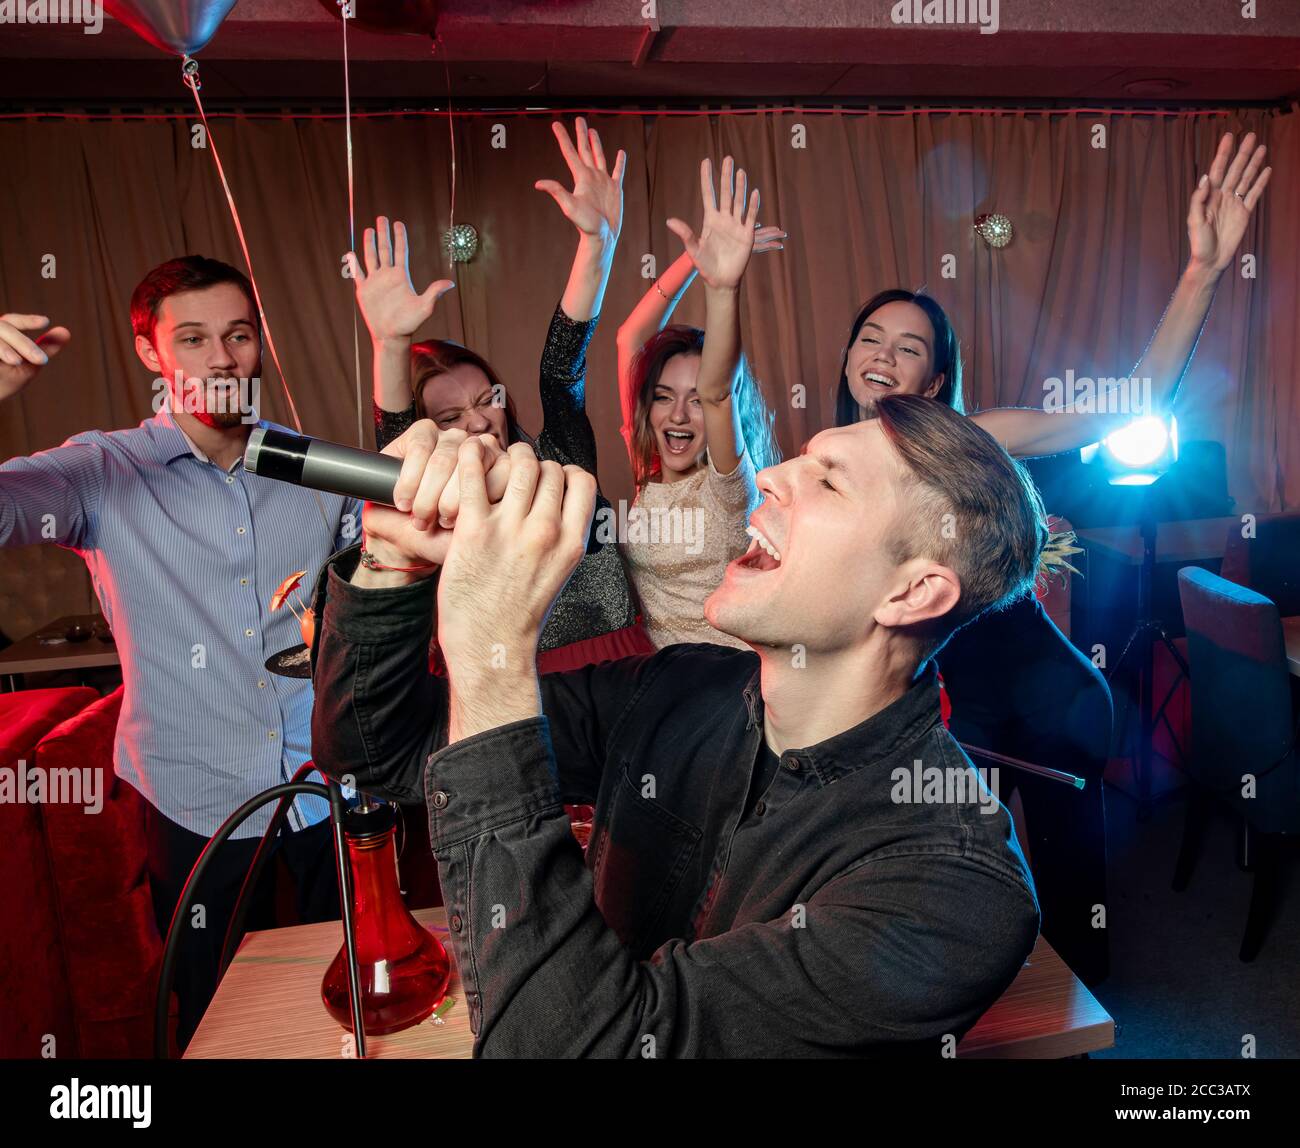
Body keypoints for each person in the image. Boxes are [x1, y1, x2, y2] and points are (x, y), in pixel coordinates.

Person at [306, 390, 1050, 1057]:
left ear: (914, 592)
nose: (770, 476)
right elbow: (377, 751)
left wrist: (490, 650)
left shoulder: (956, 892)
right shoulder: (679, 685)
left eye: (827, 479)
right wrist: (388, 565)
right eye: (797, 459)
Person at [829, 130, 1271, 986]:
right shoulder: (831, 462)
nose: (882, 354)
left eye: (908, 346)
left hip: (1050, 698)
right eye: (871, 337)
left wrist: (1203, 271)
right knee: (965, 896)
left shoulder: (974, 440)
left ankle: (1091, 1043)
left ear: (932, 382)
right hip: (951, 713)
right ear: (848, 357)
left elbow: (1134, 399)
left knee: (1069, 906)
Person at [0, 259, 358, 1049]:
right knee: (214, 1016)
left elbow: (389, 586)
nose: (221, 359)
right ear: (149, 353)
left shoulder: (316, 468)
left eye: (237, 335)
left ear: (260, 343)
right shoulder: (100, 472)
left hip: (324, 788)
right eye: (192, 339)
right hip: (194, 801)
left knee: (352, 1005)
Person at [348, 118, 652, 673]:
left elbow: (560, 370)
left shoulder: (560, 460)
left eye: (485, 398)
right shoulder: (435, 507)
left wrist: (596, 247)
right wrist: (390, 345)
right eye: (451, 417)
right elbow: (397, 440)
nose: (481, 420)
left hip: (621, 673)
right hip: (510, 691)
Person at [605, 157, 783, 650]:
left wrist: (722, 287)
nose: (677, 415)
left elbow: (718, 389)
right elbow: (629, 340)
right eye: (663, 397)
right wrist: (695, 258)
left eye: (694, 402)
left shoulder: (729, 488)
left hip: (726, 691)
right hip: (662, 687)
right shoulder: (648, 469)